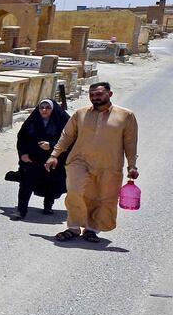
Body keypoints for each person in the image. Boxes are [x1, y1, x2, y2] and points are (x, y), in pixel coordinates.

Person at [46, 82, 138, 242]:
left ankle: (92, 229)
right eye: (92, 95)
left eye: (99, 94)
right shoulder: (80, 114)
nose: (95, 98)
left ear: (110, 94)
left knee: (102, 198)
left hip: (110, 164)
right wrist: (54, 155)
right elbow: (67, 136)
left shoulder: (126, 115)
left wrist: (132, 166)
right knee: (75, 192)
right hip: (79, 161)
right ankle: (73, 227)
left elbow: (130, 142)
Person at [13, 99, 70, 219]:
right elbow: (22, 138)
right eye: (41, 107)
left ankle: (48, 206)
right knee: (26, 184)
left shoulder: (63, 122)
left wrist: (51, 145)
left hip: (53, 159)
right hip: (32, 159)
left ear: (53, 109)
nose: (44, 110)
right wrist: (23, 154)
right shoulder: (32, 121)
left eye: (47, 108)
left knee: (51, 183)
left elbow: (69, 140)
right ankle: (21, 210)